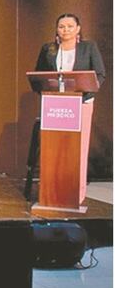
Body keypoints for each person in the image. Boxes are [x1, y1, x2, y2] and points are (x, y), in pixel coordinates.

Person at [33, 13, 106, 202]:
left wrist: (86, 93)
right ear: (57, 29)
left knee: (77, 150)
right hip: (54, 104)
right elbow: (38, 75)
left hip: (81, 104)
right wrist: (45, 93)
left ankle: (76, 195)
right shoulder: (48, 49)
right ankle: (51, 194)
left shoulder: (88, 48)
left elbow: (99, 74)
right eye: (61, 26)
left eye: (70, 26)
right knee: (54, 151)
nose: (65, 30)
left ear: (78, 29)